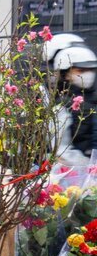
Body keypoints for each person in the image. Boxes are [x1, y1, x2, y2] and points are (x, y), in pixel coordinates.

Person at [43, 33, 97, 171]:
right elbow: (62, 151)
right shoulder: (60, 104)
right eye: (81, 70)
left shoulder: (91, 98)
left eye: (90, 69)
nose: (87, 74)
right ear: (65, 73)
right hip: (77, 176)